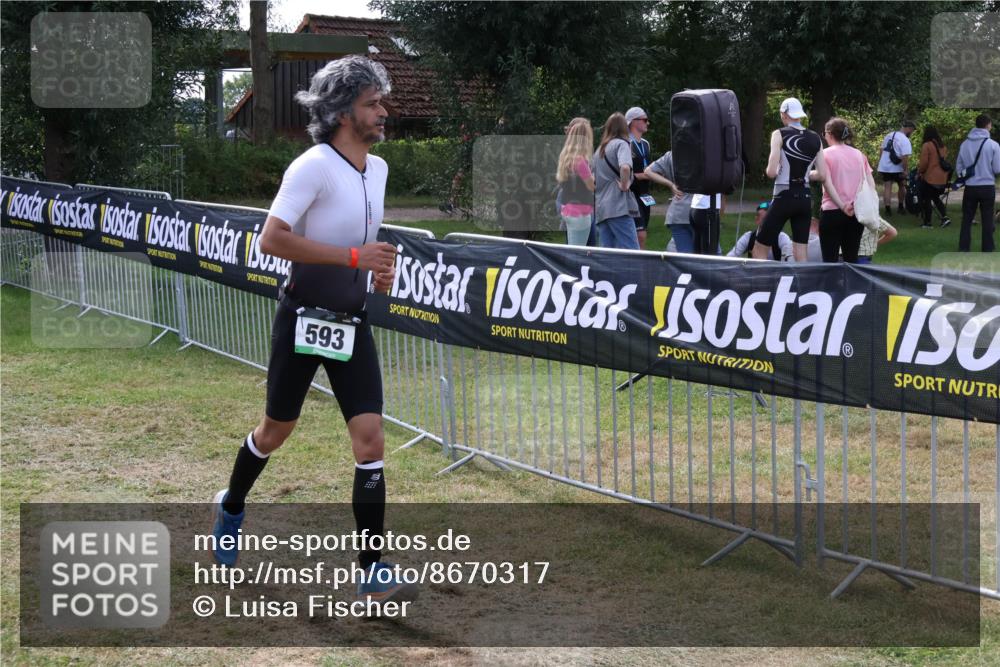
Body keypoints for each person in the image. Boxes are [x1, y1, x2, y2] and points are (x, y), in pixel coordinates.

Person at [209, 56, 417, 607]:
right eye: (373, 103)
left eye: (380, 101)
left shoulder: (379, 169)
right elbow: (270, 240)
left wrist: (377, 269)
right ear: (343, 111)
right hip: (303, 319)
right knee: (275, 431)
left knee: (370, 440)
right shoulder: (312, 166)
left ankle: (371, 570)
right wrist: (353, 256)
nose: (383, 112)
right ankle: (231, 505)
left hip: (353, 324)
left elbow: (362, 247)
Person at [753, 97, 848, 262]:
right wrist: (806, 175)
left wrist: (778, 169)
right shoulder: (815, 138)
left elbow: (771, 172)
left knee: (759, 250)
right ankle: (802, 287)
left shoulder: (778, 134)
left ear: (784, 114)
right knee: (801, 255)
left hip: (783, 197)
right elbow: (822, 175)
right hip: (804, 199)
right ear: (799, 115)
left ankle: (762, 285)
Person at [815, 117, 872, 263]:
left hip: (832, 211)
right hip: (855, 212)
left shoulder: (825, 154)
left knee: (829, 259)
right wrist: (855, 203)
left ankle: (830, 286)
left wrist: (842, 205)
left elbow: (827, 183)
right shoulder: (859, 155)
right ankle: (852, 286)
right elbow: (868, 184)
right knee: (851, 259)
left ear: (829, 133)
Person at [593, 112, 640, 249]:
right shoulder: (622, 144)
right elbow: (625, 167)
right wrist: (625, 185)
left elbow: (592, 179)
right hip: (618, 206)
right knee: (632, 251)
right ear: (624, 128)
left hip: (601, 208)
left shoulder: (599, 150)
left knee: (608, 254)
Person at [955, 114, 1000, 252]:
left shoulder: (965, 144)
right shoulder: (993, 145)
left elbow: (959, 168)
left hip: (970, 186)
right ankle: (987, 248)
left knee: (967, 218)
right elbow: (997, 168)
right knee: (987, 218)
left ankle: (964, 247)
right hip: (987, 186)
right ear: (988, 125)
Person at [556, 118, 596, 246]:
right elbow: (591, 186)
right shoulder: (580, 161)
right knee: (577, 253)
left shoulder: (566, 158)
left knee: (573, 249)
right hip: (580, 212)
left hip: (567, 209)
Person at [644, 151, 692, 252]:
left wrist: (670, 184)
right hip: (700, 211)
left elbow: (648, 171)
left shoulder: (672, 154)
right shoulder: (705, 152)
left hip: (677, 213)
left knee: (685, 257)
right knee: (709, 258)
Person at [625, 106, 653, 249]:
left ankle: (640, 264)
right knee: (639, 235)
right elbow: (623, 171)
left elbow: (649, 168)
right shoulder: (626, 144)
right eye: (645, 120)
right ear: (634, 122)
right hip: (632, 195)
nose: (647, 123)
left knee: (642, 235)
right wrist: (643, 175)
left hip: (645, 195)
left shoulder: (646, 144)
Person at [727, 201, 793, 260]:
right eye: (765, 219)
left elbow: (790, 261)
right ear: (756, 220)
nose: (768, 223)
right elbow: (731, 257)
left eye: (770, 219)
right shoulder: (749, 237)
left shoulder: (782, 237)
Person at [876, 120, 916, 217]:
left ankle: (888, 210)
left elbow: (881, 150)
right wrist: (905, 170)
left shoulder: (889, 135)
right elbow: (905, 157)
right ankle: (901, 207)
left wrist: (881, 163)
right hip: (897, 168)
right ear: (909, 129)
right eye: (912, 131)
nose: (912, 133)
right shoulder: (905, 140)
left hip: (885, 166)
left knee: (887, 187)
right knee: (902, 185)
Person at [916, 125, 952, 229]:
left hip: (930, 178)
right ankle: (945, 217)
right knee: (935, 198)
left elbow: (924, 163)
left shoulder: (927, 145)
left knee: (926, 198)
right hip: (942, 178)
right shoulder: (943, 146)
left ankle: (928, 223)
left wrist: (919, 172)